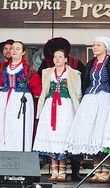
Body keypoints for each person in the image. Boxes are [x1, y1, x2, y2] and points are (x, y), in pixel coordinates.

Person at [36, 37, 86, 181]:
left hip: (65, 107)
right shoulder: (47, 72)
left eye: (60, 57)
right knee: (51, 138)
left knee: (62, 137)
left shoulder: (74, 73)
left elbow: (77, 94)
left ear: (66, 59)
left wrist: (78, 111)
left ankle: (63, 171)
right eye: (55, 57)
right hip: (50, 107)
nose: (57, 59)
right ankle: (54, 171)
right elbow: (44, 91)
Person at [65, 36, 110, 183]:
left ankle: (106, 171)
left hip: (105, 98)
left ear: (105, 47)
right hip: (91, 98)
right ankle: (97, 170)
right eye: (94, 45)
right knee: (92, 133)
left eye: (98, 45)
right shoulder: (91, 63)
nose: (95, 47)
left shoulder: (109, 62)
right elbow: (86, 81)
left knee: (102, 133)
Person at [0, 41, 36, 152]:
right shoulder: (4, 67)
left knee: (19, 127)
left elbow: (36, 86)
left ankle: (20, 154)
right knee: (3, 125)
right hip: (4, 98)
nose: (14, 50)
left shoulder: (28, 68)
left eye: (17, 48)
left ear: (23, 52)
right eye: (12, 48)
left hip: (21, 99)